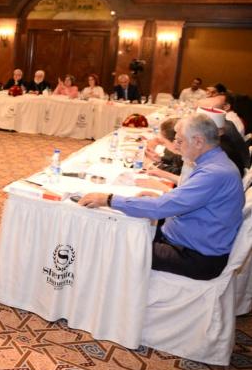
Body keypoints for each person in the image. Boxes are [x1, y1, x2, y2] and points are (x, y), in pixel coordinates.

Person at [79, 113, 243, 280]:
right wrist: (163, 197)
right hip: (186, 242)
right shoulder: (213, 163)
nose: (176, 146)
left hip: (195, 256)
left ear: (199, 141)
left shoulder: (214, 173)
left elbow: (159, 208)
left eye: (180, 141)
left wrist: (108, 199)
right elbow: (188, 201)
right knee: (121, 230)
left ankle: (113, 293)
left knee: (114, 246)